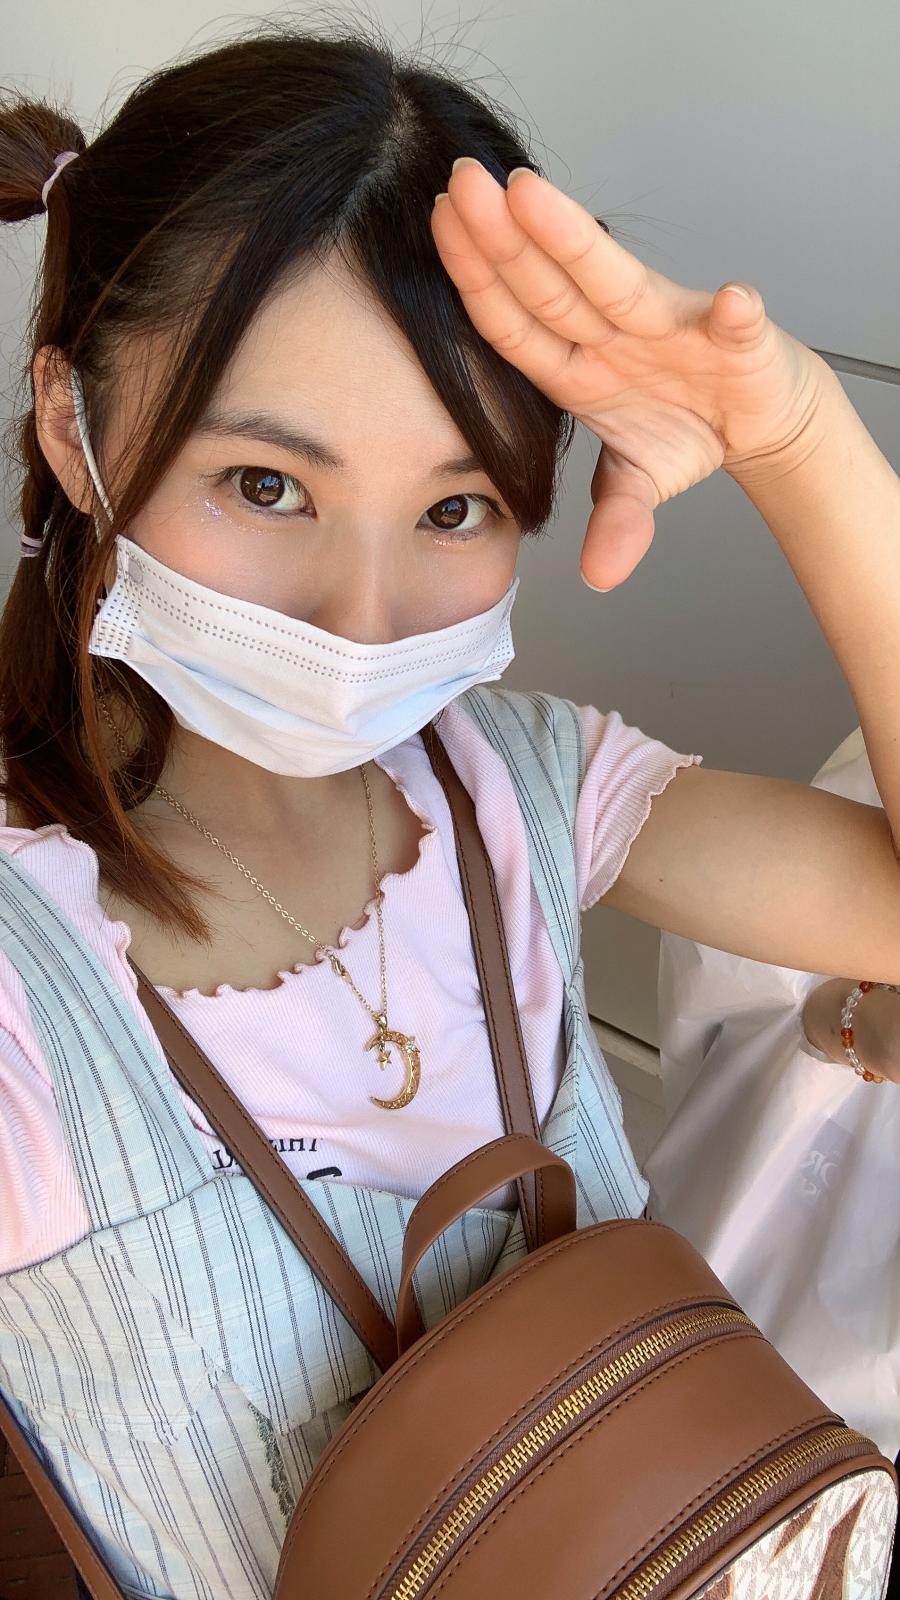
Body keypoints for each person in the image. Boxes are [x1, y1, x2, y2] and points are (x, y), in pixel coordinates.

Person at [0, 19, 898, 1598]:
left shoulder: (527, 784)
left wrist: (800, 440)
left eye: (456, 506)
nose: (363, 616)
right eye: (267, 484)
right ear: (71, 427)